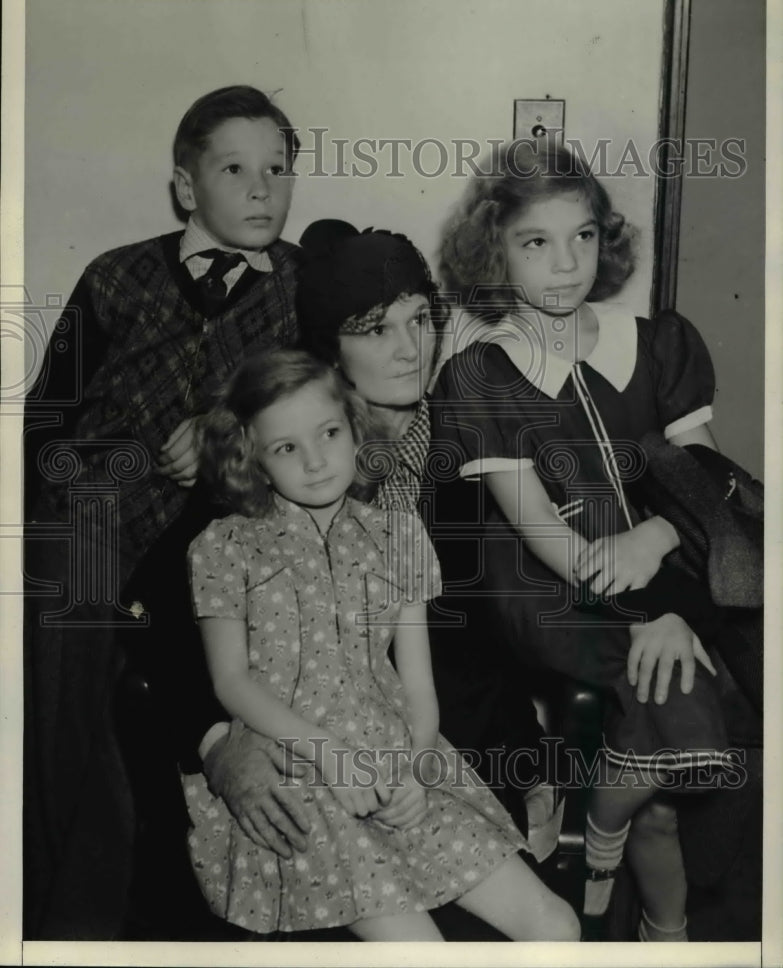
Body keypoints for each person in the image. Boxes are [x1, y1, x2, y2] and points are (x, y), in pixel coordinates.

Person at [430, 140, 737, 942]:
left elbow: (701, 477)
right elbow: (536, 530)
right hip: (550, 579)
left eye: (584, 237)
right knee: (679, 690)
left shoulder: (659, 341)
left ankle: (654, 922)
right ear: (493, 250)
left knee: (670, 778)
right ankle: (614, 860)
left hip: (660, 552)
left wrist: (660, 539)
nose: (564, 265)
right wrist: (648, 611)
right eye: (536, 243)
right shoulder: (479, 373)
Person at [23, 84, 300, 938]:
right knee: (66, 634)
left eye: (277, 169)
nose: (261, 189)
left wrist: (225, 437)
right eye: (234, 169)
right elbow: (41, 436)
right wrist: (137, 457)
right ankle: (45, 907)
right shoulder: (116, 277)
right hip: (99, 519)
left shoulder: (298, 290)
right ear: (186, 188)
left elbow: (318, 423)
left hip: (214, 531)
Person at [183, 347, 580, 941]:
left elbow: (418, 684)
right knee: (420, 948)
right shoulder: (224, 546)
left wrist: (416, 766)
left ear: (353, 428)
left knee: (557, 927)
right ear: (253, 457)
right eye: (287, 448)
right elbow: (230, 682)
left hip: (399, 763)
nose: (316, 462)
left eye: (330, 433)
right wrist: (328, 754)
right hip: (297, 772)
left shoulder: (398, 535)